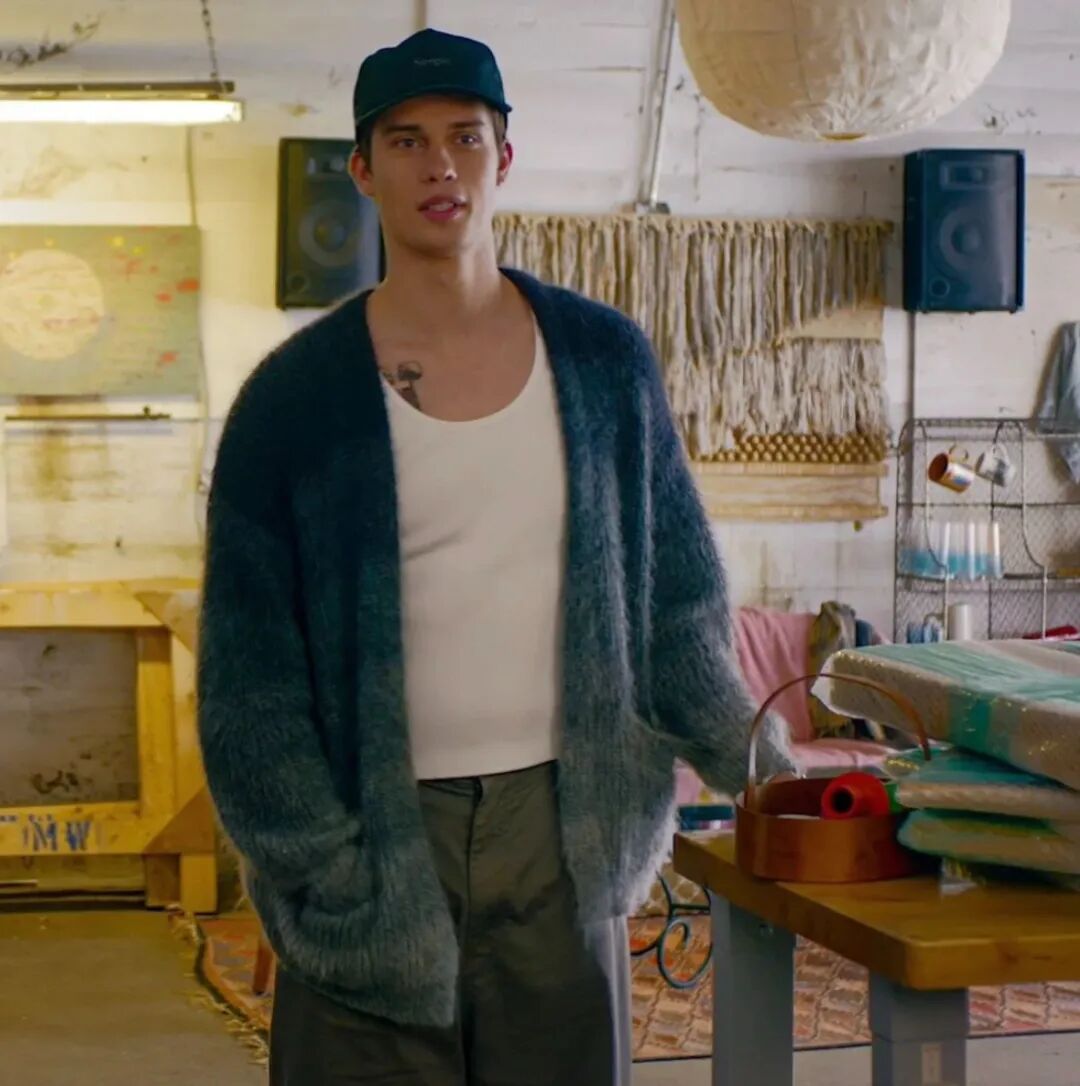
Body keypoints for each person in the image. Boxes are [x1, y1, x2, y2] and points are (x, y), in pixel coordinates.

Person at [197, 26, 794, 1086]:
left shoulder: (603, 362)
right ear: (362, 170)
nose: (440, 165)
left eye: (465, 137)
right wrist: (322, 869)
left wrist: (768, 776)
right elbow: (249, 684)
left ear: (503, 158)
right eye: (407, 140)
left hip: (565, 830)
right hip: (371, 835)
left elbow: (679, 608)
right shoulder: (293, 402)